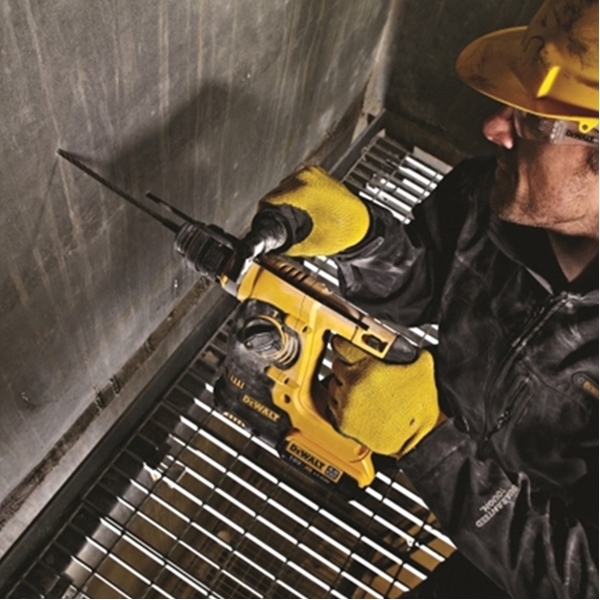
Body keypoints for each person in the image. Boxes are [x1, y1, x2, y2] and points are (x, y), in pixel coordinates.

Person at [245, 0, 598, 596]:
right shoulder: (490, 197)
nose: (494, 128)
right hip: (460, 446)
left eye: (533, 121)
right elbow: (430, 287)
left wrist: (429, 441)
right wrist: (361, 241)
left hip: (540, 546)